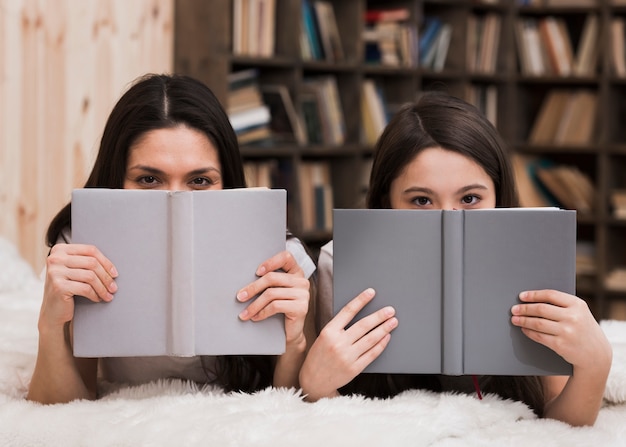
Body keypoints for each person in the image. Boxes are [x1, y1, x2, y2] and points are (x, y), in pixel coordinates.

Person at [299, 91, 612, 427]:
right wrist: (317, 387)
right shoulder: (339, 263)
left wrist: (595, 365)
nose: (449, 219)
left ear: (498, 197)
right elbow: (337, 428)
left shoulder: (531, 260)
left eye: (470, 198)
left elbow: (561, 431)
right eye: (421, 200)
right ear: (385, 203)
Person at [27, 73, 316, 404]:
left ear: (227, 183)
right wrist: (50, 329)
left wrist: (293, 343)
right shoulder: (84, 245)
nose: (175, 201)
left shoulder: (282, 258)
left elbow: (298, 415)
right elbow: (62, 410)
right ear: (116, 180)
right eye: (149, 179)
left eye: (200, 181)